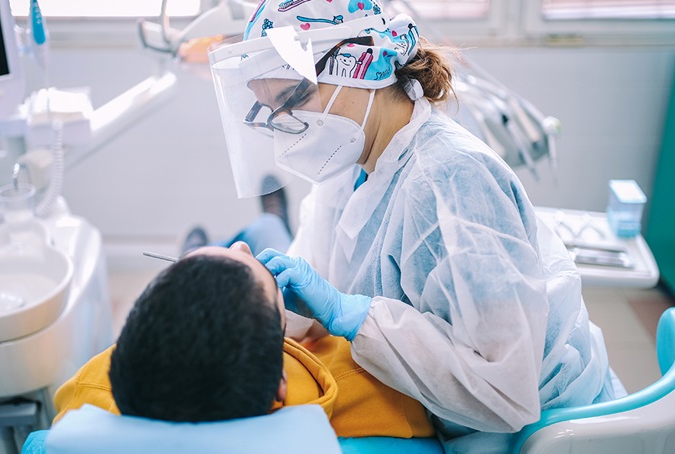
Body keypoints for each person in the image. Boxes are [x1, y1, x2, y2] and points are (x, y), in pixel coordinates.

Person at [204, 0, 620, 452]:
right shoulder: (349, 163)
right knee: (265, 237)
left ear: (357, 63)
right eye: (271, 112)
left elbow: (506, 390)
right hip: (444, 406)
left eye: (293, 100)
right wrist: (268, 299)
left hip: (534, 431)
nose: (287, 125)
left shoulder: (452, 181)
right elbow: (317, 268)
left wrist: (355, 317)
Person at [47, 242, 435, 442]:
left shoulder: (89, 389)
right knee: (263, 231)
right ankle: (263, 222)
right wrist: (330, 323)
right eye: (277, 301)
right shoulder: (371, 390)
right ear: (279, 386)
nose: (241, 252)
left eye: (185, 265)